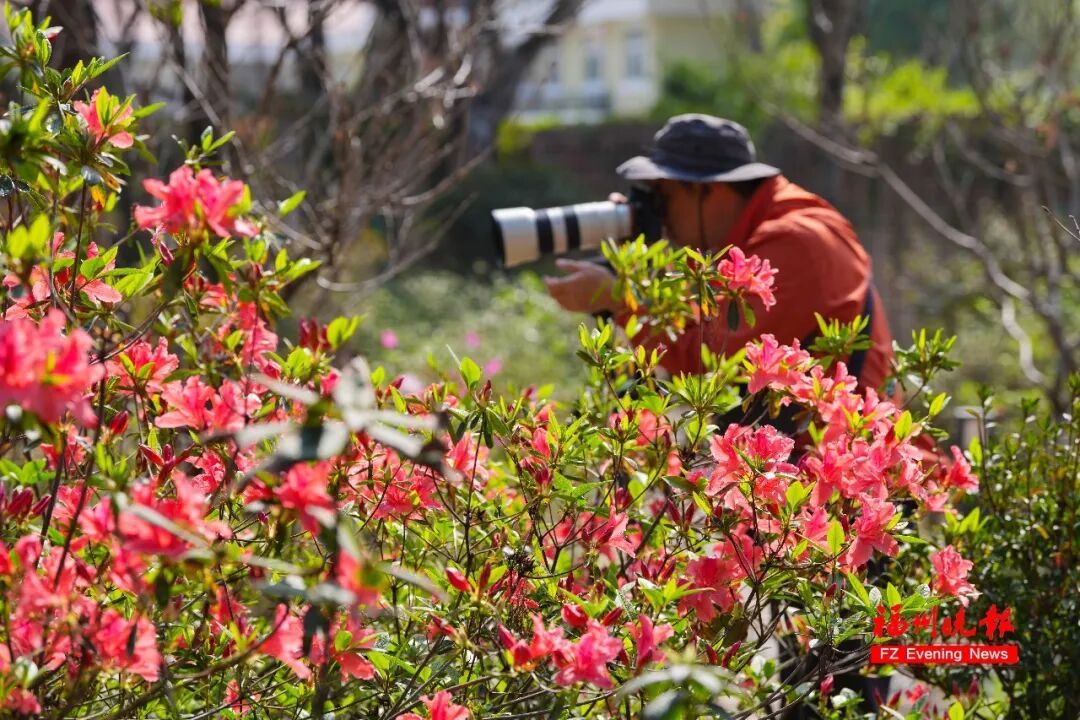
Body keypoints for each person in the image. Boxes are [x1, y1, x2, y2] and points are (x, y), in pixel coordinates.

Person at [543, 113, 893, 393]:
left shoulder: (792, 239)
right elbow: (707, 323)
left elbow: (709, 359)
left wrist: (621, 299)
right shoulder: (771, 224)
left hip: (856, 471)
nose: (659, 214)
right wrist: (638, 266)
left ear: (705, 190)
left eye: (663, 198)